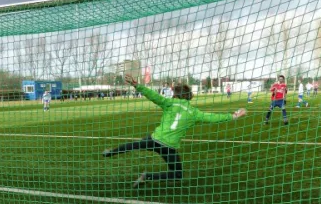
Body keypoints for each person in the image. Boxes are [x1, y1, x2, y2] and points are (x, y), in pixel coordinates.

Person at [103, 74, 247, 187]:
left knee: (136, 144)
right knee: (177, 174)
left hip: (155, 139)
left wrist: (137, 85)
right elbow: (213, 117)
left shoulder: (169, 103)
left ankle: (111, 152)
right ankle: (147, 176)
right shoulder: (194, 112)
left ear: (176, 95)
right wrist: (234, 116)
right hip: (169, 147)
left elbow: (153, 95)